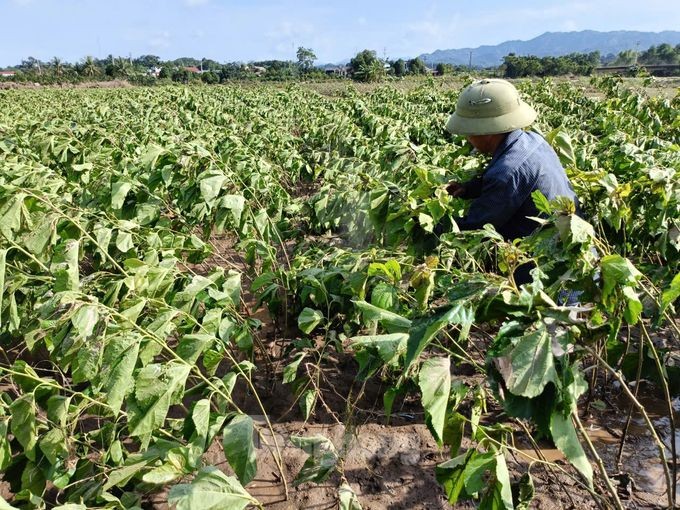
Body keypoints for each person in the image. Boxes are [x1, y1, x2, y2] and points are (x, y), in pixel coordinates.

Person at [440, 78, 579, 285]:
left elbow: (476, 226)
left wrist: (429, 225)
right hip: (572, 251)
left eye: (469, 132)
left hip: (549, 272)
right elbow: (514, 183)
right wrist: (468, 188)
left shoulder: (506, 173)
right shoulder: (532, 139)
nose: (467, 138)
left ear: (486, 131)